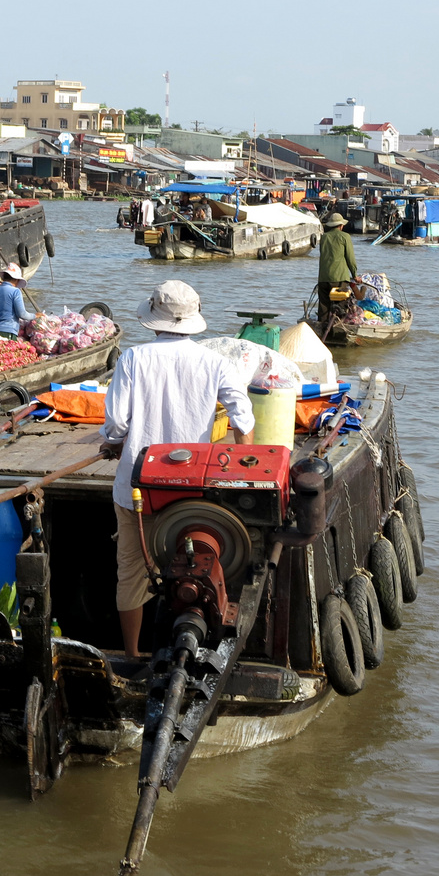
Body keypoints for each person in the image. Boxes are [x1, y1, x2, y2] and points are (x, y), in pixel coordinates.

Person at [100, 280, 254, 659]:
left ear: (154, 319)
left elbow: (117, 424)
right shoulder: (216, 362)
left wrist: (113, 443)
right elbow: (243, 419)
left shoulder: (133, 359)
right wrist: (242, 466)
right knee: (194, 567)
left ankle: (134, 655)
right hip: (191, 491)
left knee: (132, 574)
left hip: (138, 490)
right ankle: (192, 648)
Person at [317, 212, 357, 321]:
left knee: (323, 306)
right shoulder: (345, 236)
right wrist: (355, 274)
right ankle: (338, 330)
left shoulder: (324, 237)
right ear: (341, 226)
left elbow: (323, 254)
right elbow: (350, 258)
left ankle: (322, 327)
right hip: (339, 278)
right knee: (340, 307)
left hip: (323, 278)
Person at [0, 263, 33, 340]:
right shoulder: (15, 291)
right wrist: (35, 316)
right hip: (7, 332)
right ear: (16, 279)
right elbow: (22, 314)